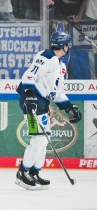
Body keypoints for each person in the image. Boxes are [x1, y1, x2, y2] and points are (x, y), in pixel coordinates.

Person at [14, 31, 82, 190]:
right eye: (67, 45)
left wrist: (69, 107)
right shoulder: (47, 56)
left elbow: (56, 92)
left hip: (42, 104)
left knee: (44, 140)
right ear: (64, 45)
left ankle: (34, 172)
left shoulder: (60, 64)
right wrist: (30, 98)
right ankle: (22, 173)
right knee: (38, 139)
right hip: (31, 103)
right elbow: (28, 77)